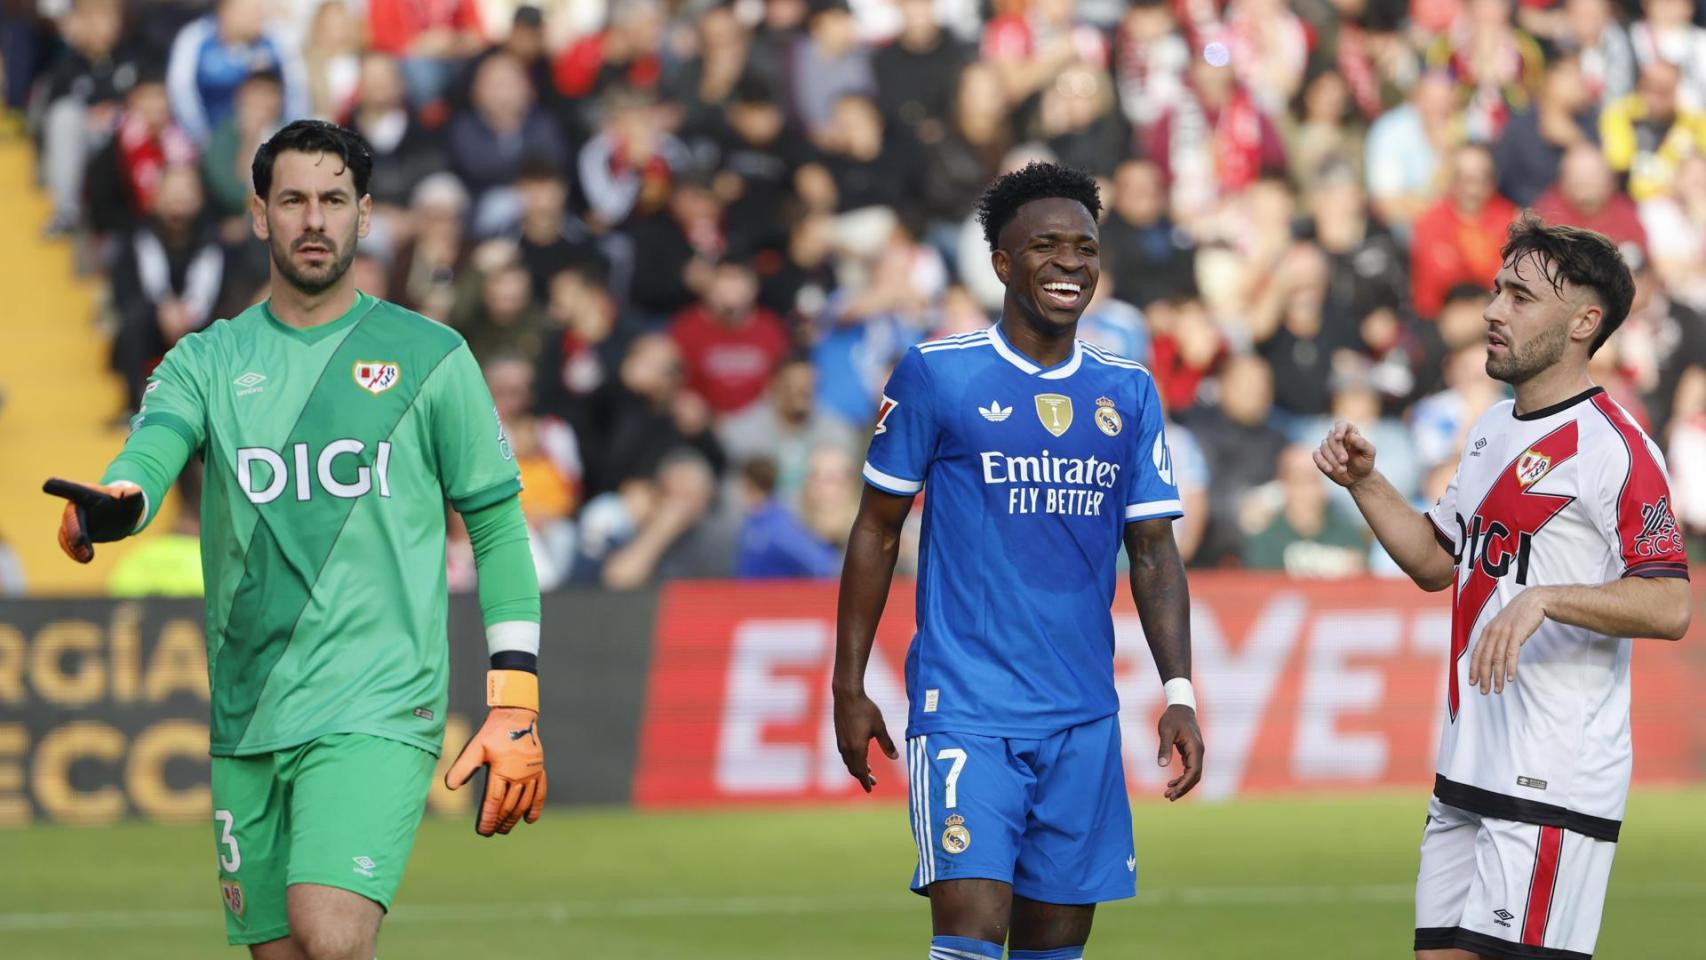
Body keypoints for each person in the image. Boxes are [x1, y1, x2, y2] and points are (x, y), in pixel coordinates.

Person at [41, 120, 547, 960]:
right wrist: (121, 501)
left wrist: (516, 699)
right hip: (249, 710)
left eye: (334, 201)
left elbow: (495, 528)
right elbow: (153, 449)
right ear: (258, 215)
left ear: (365, 215)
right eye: (294, 200)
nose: (315, 220)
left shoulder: (432, 357)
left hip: (379, 699)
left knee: (330, 934)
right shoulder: (206, 360)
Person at [833, 162, 1203, 960]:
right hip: (967, 708)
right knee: (970, 935)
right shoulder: (937, 373)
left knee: (1053, 950)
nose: (1070, 262)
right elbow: (876, 530)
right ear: (1002, 264)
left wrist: (1179, 690)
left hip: (1083, 716)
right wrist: (848, 683)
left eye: (1085, 248)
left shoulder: (1128, 391)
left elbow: (1153, 553)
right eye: (1046, 246)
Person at [1314, 217, 1691, 960]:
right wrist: (1366, 482)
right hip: (1467, 764)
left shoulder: (1616, 449)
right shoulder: (1491, 429)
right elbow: (1436, 562)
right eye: (1497, 291)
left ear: (1584, 323)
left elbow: (1671, 602)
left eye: (1520, 297)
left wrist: (1546, 598)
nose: (1492, 311)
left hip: (1551, 779)